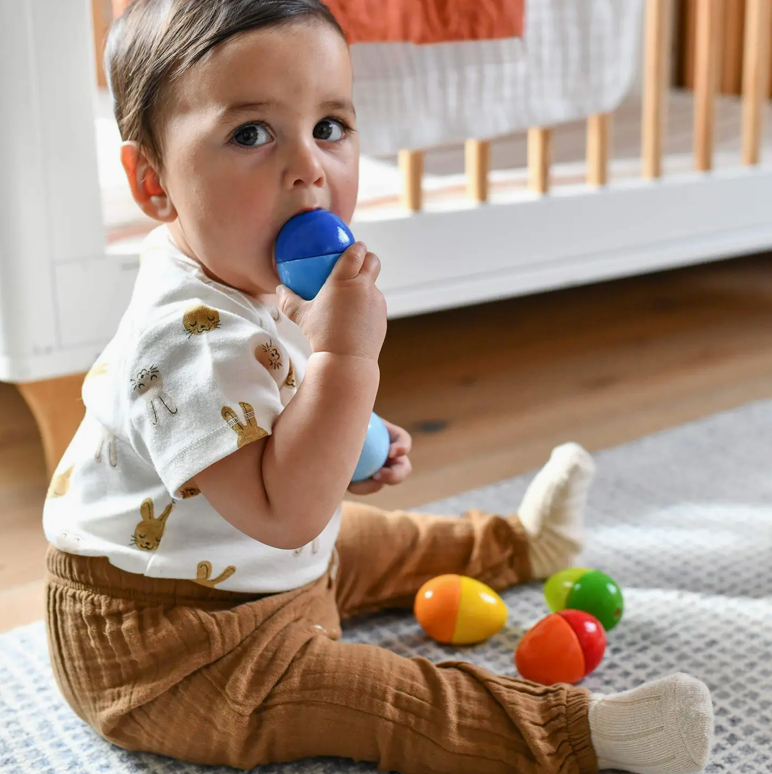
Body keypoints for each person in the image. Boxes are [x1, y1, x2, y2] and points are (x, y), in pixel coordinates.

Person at [42, 2, 714, 772]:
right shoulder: (181, 340)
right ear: (153, 180)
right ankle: (581, 735)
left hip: (247, 562)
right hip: (171, 643)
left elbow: (274, 422)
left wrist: (348, 436)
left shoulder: (246, 273)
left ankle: (520, 544)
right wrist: (348, 361)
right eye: (251, 134)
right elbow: (287, 512)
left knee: (378, 537)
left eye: (329, 126)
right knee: (377, 698)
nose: (309, 169)